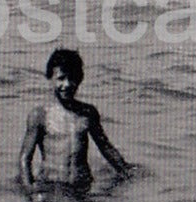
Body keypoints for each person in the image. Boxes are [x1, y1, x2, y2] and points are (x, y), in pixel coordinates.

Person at [17, 48, 131, 193]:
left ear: (80, 78)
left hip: (82, 186)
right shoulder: (40, 115)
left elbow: (106, 148)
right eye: (61, 78)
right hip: (51, 185)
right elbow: (25, 158)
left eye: (72, 78)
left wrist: (126, 171)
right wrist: (29, 190)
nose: (67, 85)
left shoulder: (88, 113)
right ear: (50, 78)